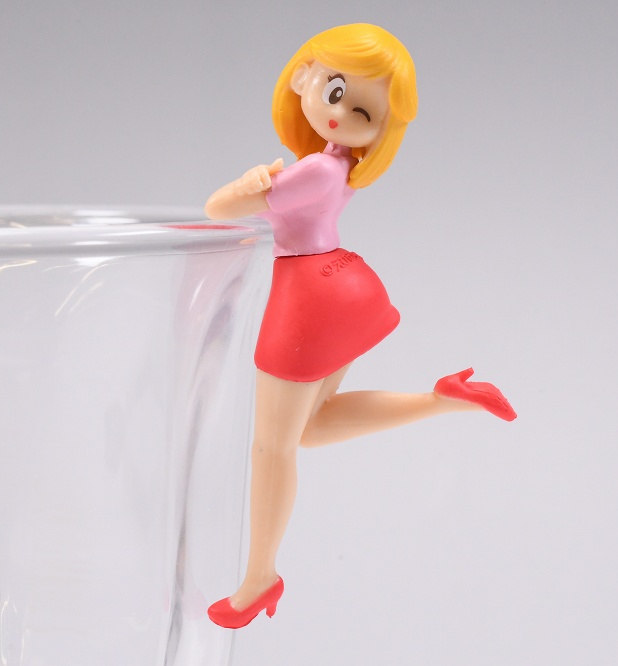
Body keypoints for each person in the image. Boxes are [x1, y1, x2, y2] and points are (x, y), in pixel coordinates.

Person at [203, 23, 516, 629]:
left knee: (271, 447)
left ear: (381, 132)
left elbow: (218, 209)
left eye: (364, 112)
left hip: (310, 297)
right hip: (344, 287)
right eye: (337, 90)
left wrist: (247, 186)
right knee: (311, 428)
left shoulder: (318, 171)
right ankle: (441, 399)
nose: (341, 114)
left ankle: (259, 578)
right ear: (304, 76)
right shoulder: (333, 166)